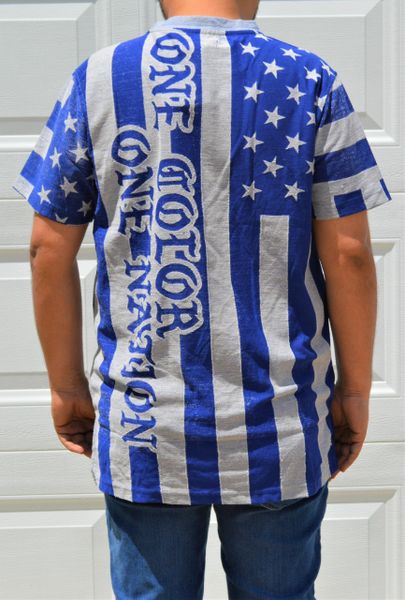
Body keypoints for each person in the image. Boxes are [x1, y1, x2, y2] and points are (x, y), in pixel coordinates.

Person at [12, 0, 393, 597]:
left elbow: (46, 251)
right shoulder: (310, 78)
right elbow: (349, 256)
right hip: (279, 421)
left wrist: (65, 387)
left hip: (144, 423)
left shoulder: (100, 80)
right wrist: (353, 391)